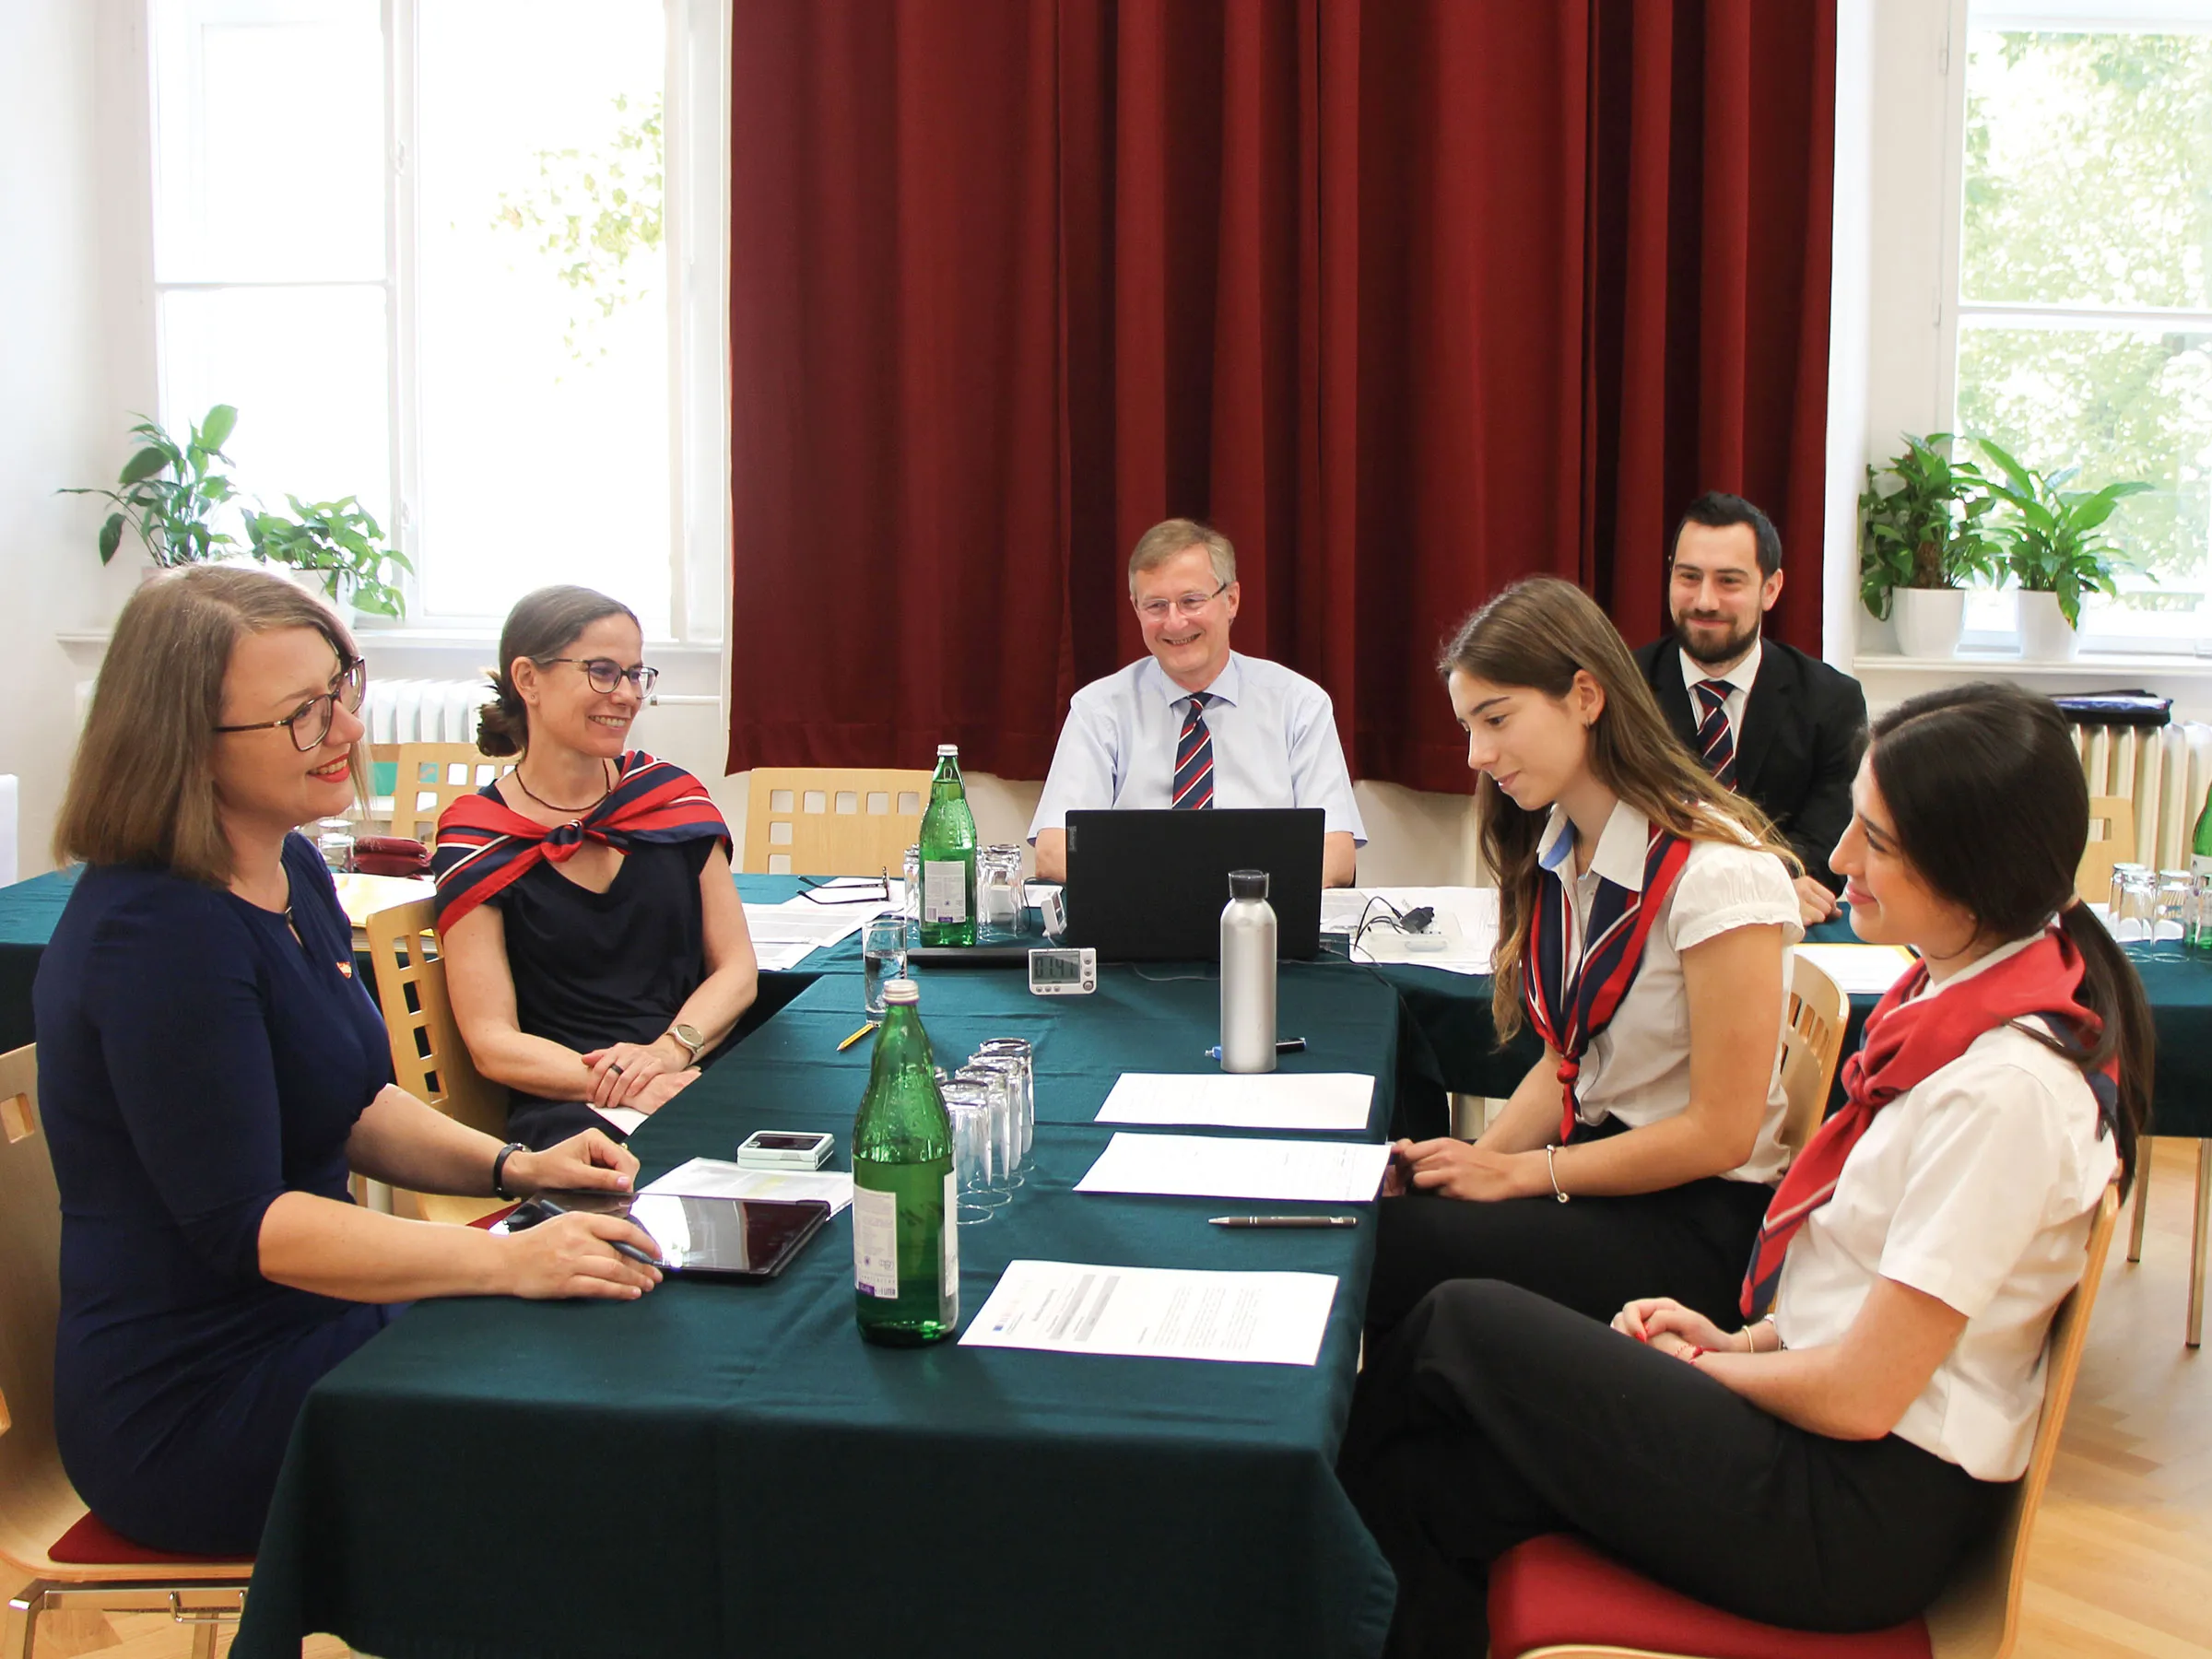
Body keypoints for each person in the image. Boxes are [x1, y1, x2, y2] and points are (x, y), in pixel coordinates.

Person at [1337, 681, 2147, 1659]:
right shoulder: (1949, 1001)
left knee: (1461, 1327)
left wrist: (1708, 1366)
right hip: (1828, 1444)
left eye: (1876, 841)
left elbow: (1862, 1394)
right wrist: (1743, 1340)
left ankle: (1282, 1553)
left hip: (1851, 1515)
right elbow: (1853, 1295)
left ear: (1976, 868)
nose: (1840, 859)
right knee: (1446, 1480)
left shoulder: (2005, 1092)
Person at [34, 567, 665, 1558]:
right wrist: (503, 1261)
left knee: (602, 1343)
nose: (346, 731)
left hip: (311, 1325)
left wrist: (514, 1170)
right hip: (197, 1406)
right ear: (184, 745)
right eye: (301, 715)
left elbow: (347, 1100)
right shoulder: (158, 937)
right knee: (576, 1408)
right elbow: (255, 1227)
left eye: (344, 689)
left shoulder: (284, 864)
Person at [1366, 577, 1804, 1335]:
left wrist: (1518, 1172)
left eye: (1496, 719)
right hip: (1599, 1174)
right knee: (1388, 1222)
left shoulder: (1721, 875)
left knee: (1387, 1253)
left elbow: (1723, 1132)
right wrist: (1469, 1168)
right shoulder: (1566, 847)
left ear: (1586, 696)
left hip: (1693, 1220)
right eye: (1469, 726)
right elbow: (1565, 1062)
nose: (1477, 754)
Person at [436, 586, 759, 1151]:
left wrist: (665, 1054)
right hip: (571, 1106)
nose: (627, 695)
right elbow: (492, 1040)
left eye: (636, 674)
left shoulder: (670, 799)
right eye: (603, 671)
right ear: (528, 680)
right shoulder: (477, 836)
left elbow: (736, 969)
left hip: (694, 1068)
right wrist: (622, 1085)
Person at [1029, 518, 1365, 887]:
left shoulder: (1299, 705)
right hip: (1138, 925)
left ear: (1231, 599)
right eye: (1156, 605)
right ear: (1135, 608)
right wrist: (1173, 885)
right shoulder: (1099, 710)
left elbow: (1336, 856)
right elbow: (1053, 851)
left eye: (1191, 601)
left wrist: (1230, 888)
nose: (1174, 623)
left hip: (1263, 921)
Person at [1631, 491, 1868, 928]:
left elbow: (1824, 846)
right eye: (1688, 577)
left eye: (1728, 581)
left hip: (1783, 931)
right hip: (1650, 925)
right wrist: (1758, 892)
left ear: (1771, 589)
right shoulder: (1622, 690)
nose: (1705, 601)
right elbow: (1613, 839)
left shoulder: (1831, 701)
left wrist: (1761, 899)